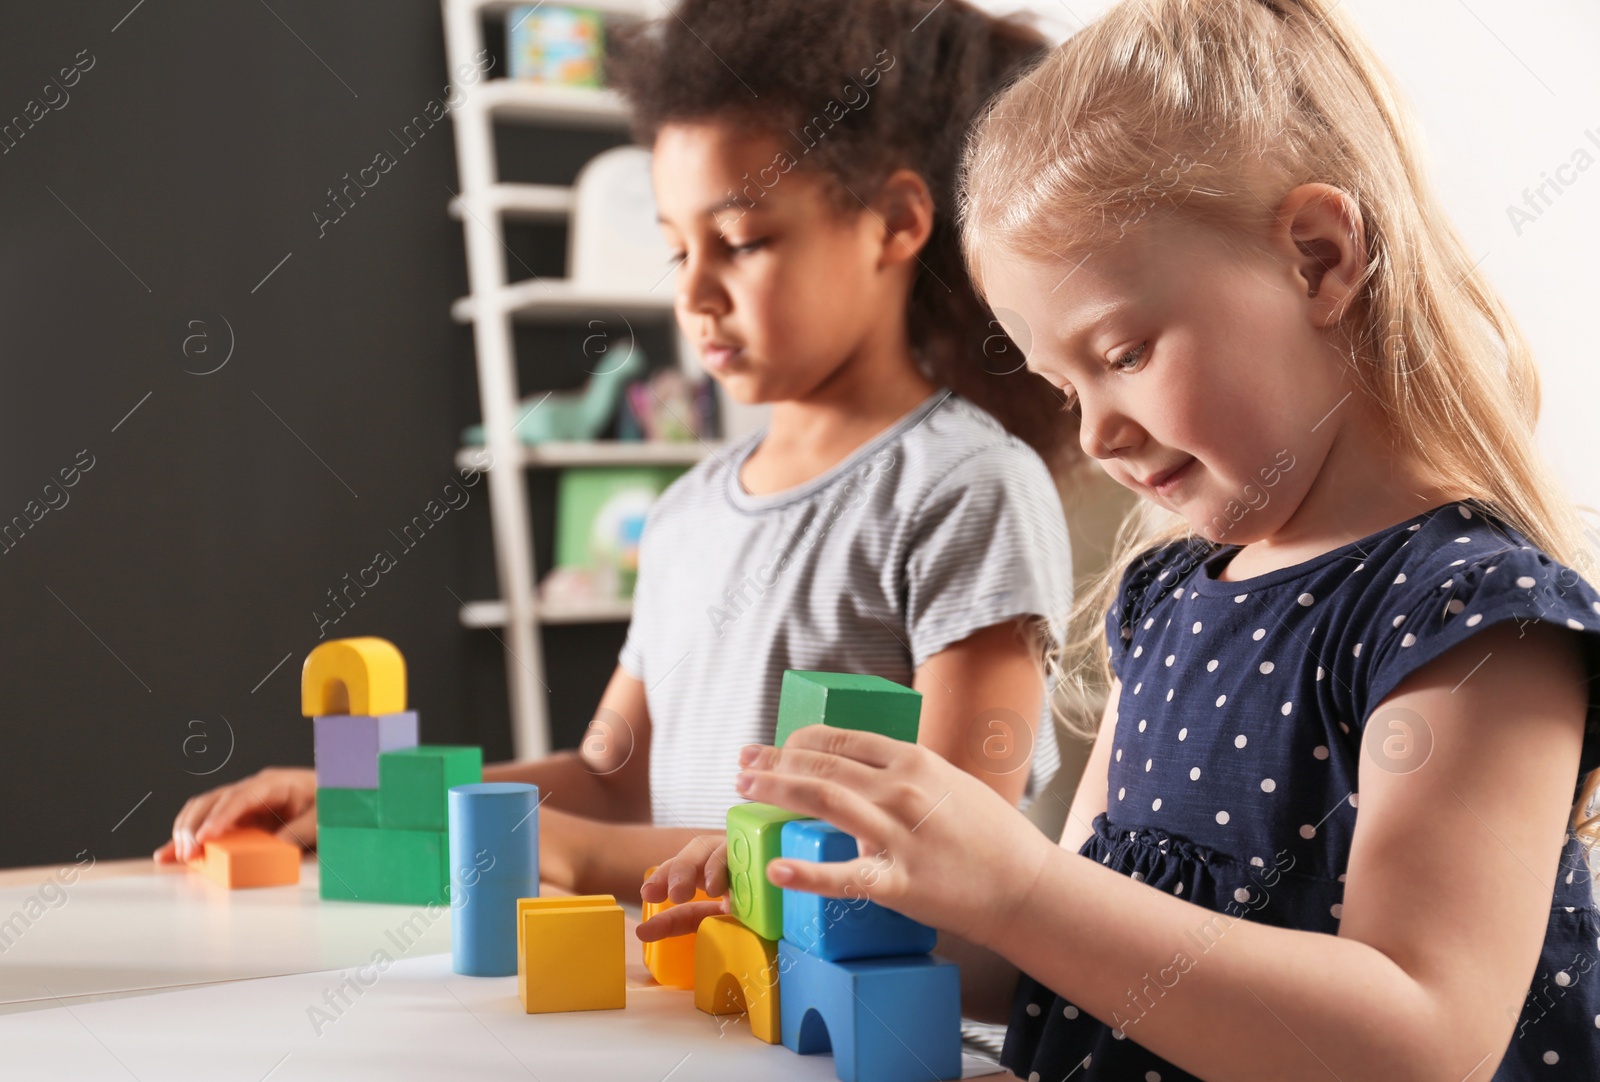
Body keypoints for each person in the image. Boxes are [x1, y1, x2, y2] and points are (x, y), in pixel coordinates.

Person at [641, 1, 1600, 1077]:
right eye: (1062, 382)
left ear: (1320, 258)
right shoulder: (1168, 596)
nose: (1094, 431)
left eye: (1124, 351)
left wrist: (1019, 884)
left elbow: (1417, 1040)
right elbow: (1083, 952)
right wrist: (860, 886)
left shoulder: (1472, 620)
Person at [155, 0, 1081, 901]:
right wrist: (375, 800)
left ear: (895, 223)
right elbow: (609, 780)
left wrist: (564, 849)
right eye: (678, 251)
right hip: (681, 1007)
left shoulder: (969, 489)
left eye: (743, 241)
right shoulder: (686, 512)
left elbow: (948, 846)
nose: (696, 295)